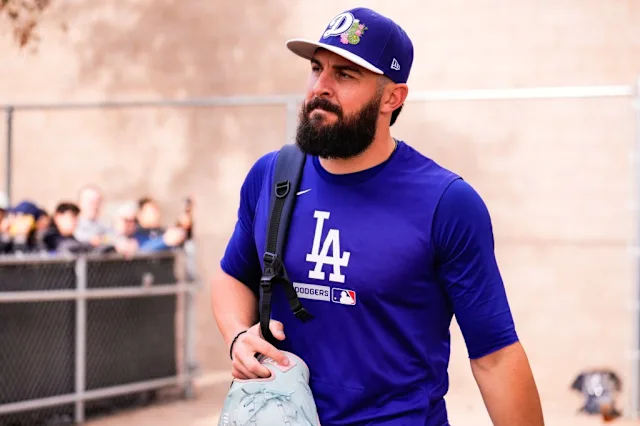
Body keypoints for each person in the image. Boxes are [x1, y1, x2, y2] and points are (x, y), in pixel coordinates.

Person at [211, 7, 544, 426]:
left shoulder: (446, 203)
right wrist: (237, 336)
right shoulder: (272, 176)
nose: (321, 86)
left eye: (345, 75)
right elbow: (232, 276)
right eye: (317, 68)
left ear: (392, 98)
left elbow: (495, 357)